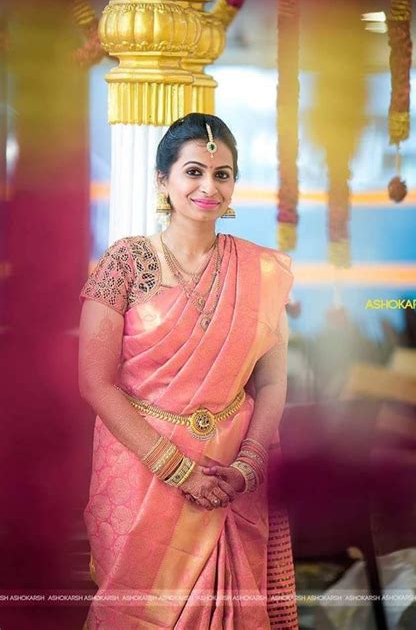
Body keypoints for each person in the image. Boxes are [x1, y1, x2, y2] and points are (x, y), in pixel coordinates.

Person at [78, 113, 298, 629]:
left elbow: (271, 380)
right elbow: (94, 381)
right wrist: (176, 469)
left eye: (222, 175)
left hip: (230, 472)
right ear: (164, 180)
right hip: (140, 468)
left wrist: (247, 463)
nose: (208, 186)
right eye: (193, 171)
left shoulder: (262, 271)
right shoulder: (125, 262)